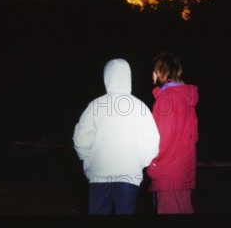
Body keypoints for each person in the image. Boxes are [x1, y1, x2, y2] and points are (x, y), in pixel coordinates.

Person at [73, 58, 160, 215]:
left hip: (99, 173)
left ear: (107, 77)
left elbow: (80, 139)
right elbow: (153, 141)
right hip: (129, 174)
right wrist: (141, 162)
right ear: (128, 77)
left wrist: (87, 160)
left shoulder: (96, 105)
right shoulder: (140, 107)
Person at [147, 52, 199, 214]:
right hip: (184, 171)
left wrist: (153, 164)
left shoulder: (166, 99)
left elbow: (161, 139)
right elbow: (194, 136)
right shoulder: (185, 97)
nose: (152, 74)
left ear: (161, 72)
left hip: (168, 172)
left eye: (154, 70)